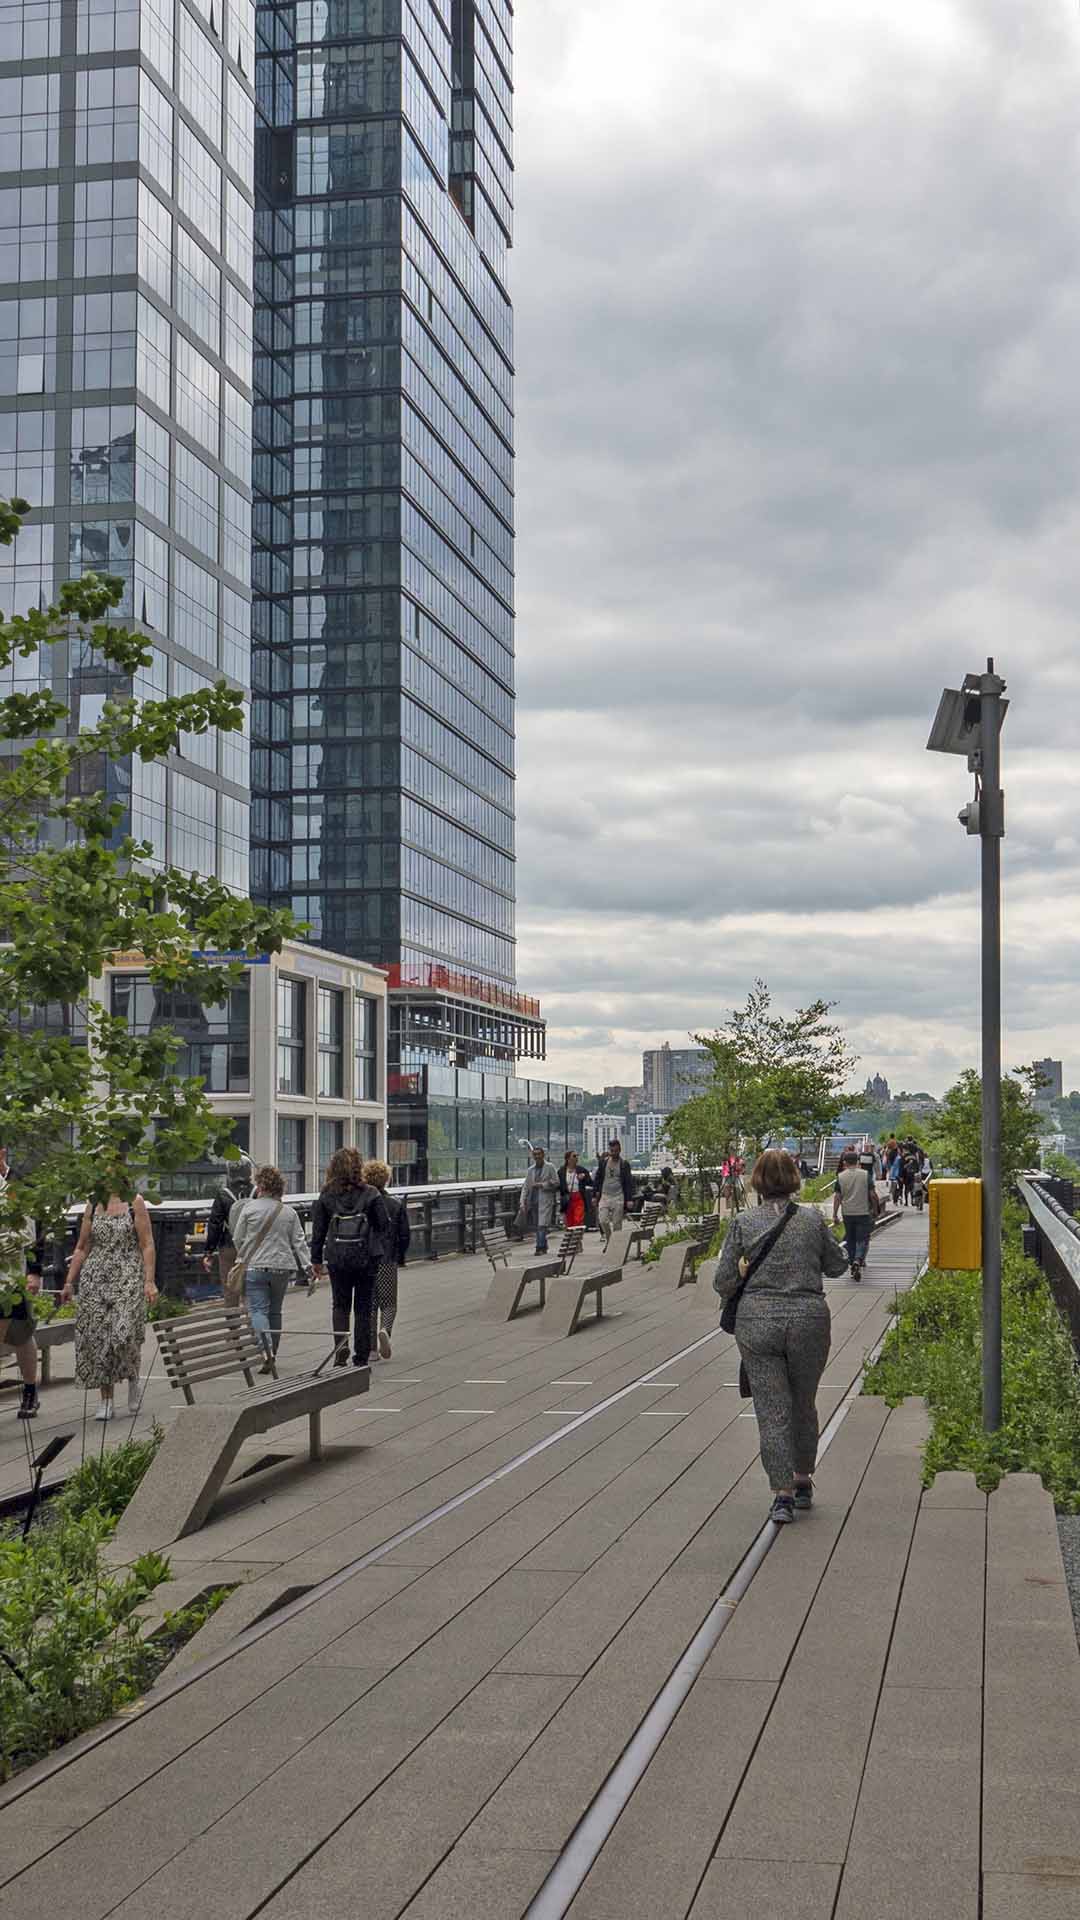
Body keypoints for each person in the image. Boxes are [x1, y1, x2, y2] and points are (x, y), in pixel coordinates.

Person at [714, 1148, 848, 1524]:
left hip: (758, 1323)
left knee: (773, 1409)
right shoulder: (810, 1220)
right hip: (808, 1319)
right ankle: (804, 1479)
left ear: (757, 1180)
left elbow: (722, 1281)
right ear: (793, 1178)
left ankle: (782, 1494)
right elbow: (837, 1266)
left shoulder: (743, 1223)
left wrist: (744, 1273)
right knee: (804, 1401)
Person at [63, 1191, 157, 1420]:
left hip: (127, 1274)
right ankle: (106, 1399)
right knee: (99, 1338)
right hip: (95, 1277)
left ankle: (133, 1376)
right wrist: (68, 1281)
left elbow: (147, 1244)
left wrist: (149, 1280)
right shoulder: (93, 1203)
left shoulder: (135, 1202)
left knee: (123, 1334)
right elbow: (82, 1247)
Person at [311, 1147, 390, 1367]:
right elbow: (384, 1225)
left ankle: (340, 1348)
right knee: (364, 1307)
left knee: (340, 1304)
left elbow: (318, 1231)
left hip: (338, 1257)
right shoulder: (371, 1193)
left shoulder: (327, 1194)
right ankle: (361, 1357)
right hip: (366, 1258)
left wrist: (316, 1260)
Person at [229, 1166, 311, 1373]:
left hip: (255, 1266)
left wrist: (244, 1255)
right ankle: (273, 1349)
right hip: (282, 1268)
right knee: (275, 1311)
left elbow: (237, 1237)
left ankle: (266, 1351)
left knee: (257, 1310)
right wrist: (308, 1267)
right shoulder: (289, 1212)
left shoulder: (249, 1208)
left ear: (261, 1186)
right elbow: (299, 1242)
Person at [0, 1146, 41, 1419]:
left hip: (10, 1274)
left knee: (21, 1333)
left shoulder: (18, 1186)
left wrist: (34, 1271)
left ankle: (29, 1389)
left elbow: (33, 1232)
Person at [361, 1157, 409, 1361]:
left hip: (365, 1261)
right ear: (386, 1180)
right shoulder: (395, 1204)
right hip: (387, 1259)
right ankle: (385, 1330)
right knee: (389, 1303)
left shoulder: (361, 1204)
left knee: (369, 1304)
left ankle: (371, 1350)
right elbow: (404, 1234)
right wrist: (400, 1256)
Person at [202, 1161, 253, 1292]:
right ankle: (252, 1311)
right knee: (252, 1287)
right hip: (253, 1247)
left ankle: (232, 1311)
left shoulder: (223, 1194)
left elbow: (215, 1224)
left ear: (230, 1173)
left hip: (229, 1245)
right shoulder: (257, 1192)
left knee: (230, 1285)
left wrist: (209, 1251)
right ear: (249, 1172)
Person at [832, 1148, 875, 1280]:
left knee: (850, 1239)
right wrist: (874, 1208)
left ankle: (852, 1262)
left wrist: (834, 1214)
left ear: (844, 1162)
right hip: (863, 1211)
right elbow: (872, 1194)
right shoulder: (865, 1175)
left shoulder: (840, 1177)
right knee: (862, 1238)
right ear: (857, 1161)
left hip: (848, 1213)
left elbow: (837, 1197)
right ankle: (858, 1259)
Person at [519, 1145, 560, 1254]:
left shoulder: (550, 1167)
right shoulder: (530, 1170)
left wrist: (542, 1185)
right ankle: (544, 1245)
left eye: (539, 1154)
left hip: (545, 1200)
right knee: (538, 1225)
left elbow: (556, 1182)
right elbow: (526, 1186)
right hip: (533, 1201)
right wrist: (522, 1201)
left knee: (542, 1225)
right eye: (535, 1154)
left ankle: (539, 1247)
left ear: (543, 1155)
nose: (537, 1156)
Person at [594, 1137, 633, 1244]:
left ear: (620, 1150)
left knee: (617, 1223)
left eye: (616, 1151)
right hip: (605, 1195)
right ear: (609, 1150)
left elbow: (628, 1182)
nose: (614, 1153)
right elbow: (597, 1179)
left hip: (618, 1196)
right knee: (603, 1220)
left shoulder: (624, 1164)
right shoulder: (603, 1162)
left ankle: (615, 1245)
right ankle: (610, 1240)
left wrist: (629, 1199)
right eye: (612, 1151)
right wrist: (594, 1195)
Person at [558, 1151, 593, 1230]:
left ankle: (577, 1240)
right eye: (574, 1156)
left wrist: (584, 1177)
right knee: (570, 1223)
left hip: (579, 1197)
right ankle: (574, 1241)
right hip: (567, 1198)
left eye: (577, 1155)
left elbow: (590, 1183)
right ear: (568, 1159)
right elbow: (559, 1185)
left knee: (578, 1220)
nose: (576, 1157)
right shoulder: (562, 1171)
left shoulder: (581, 1170)